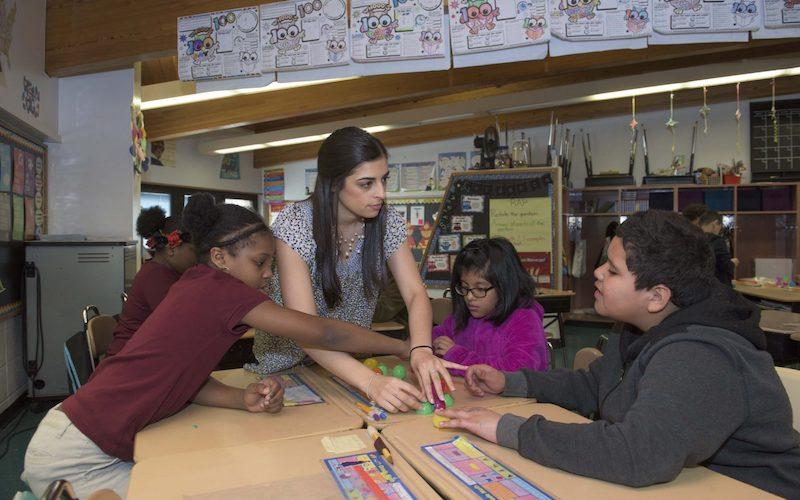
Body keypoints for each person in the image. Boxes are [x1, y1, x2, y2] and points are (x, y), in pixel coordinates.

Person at [22, 193, 426, 498]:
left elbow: (184, 379)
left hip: (89, 439)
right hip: (77, 453)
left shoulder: (198, 285)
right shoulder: (220, 291)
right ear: (220, 257)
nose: (269, 275)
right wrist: (399, 347)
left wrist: (240, 399)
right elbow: (323, 333)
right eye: (260, 263)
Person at [436, 210, 800, 497]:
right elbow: (595, 385)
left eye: (612, 270)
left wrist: (507, 429)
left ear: (656, 297)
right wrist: (511, 381)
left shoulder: (701, 354)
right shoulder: (638, 328)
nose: (595, 273)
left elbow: (637, 454)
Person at [249, 127, 458, 411]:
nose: (381, 193)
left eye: (384, 179)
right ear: (334, 183)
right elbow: (305, 329)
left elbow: (415, 294)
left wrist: (421, 348)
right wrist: (370, 383)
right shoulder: (295, 224)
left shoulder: (387, 222)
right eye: (366, 183)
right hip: (290, 364)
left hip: (350, 362)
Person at [432, 238, 548, 373]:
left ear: (504, 286)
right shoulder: (463, 316)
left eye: (480, 289)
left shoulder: (525, 320)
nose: (469, 297)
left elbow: (518, 372)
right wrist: (414, 347)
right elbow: (435, 338)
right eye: (464, 287)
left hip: (511, 395)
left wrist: (457, 355)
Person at [106, 206, 196, 356]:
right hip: (126, 362)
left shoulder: (168, 272)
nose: (197, 258)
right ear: (171, 248)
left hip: (143, 355)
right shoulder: (155, 276)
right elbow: (182, 323)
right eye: (194, 251)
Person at [698, 210, 734, 285]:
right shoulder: (717, 241)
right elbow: (726, 266)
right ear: (715, 224)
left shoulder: (693, 239)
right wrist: (733, 263)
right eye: (720, 227)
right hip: (717, 286)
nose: (719, 230)